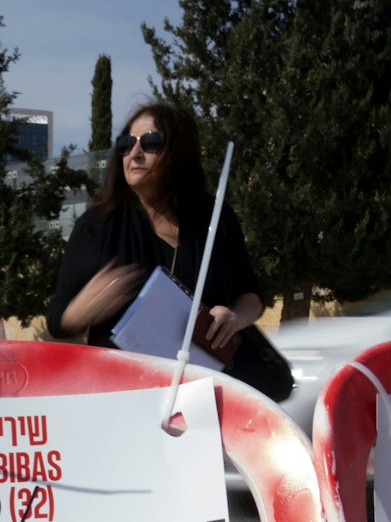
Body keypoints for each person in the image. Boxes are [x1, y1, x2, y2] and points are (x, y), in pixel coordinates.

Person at [47, 101, 286, 398]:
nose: (134, 153)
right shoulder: (98, 225)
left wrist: (235, 317)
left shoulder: (215, 218)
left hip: (206, 396)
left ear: (180, 152)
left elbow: (251, 294)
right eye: (126, 144)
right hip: (125, 398)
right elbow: (57, 320)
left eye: (150, 143)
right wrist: (78, 312)